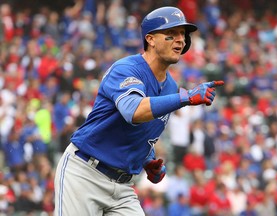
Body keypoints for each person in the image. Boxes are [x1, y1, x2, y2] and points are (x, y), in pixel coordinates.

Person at [54, 6, 224, 216]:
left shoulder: (170, 87)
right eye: (171, 34)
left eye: (183, 34)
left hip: (122, 186)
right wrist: (186, 98)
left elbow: (141, 130)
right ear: (150, 39)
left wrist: (147, 160)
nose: (180, 39)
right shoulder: (126, 68)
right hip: (85, 173)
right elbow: (133, 111)